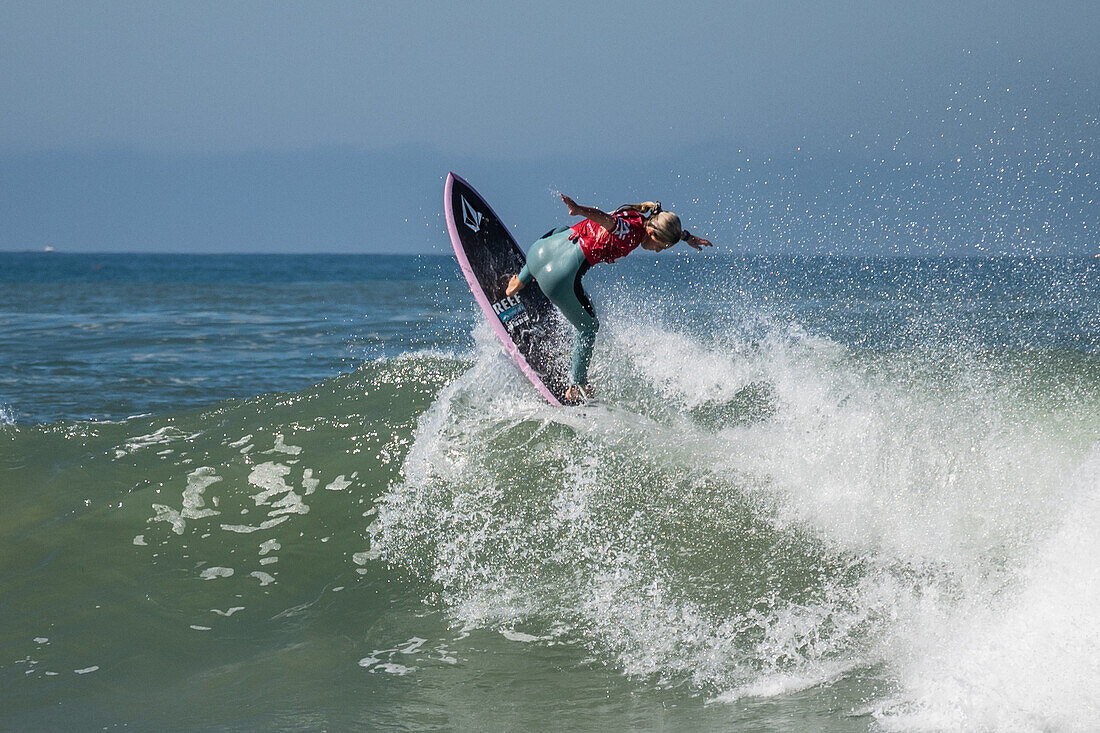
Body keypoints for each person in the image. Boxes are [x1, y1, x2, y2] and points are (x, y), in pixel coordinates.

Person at [506, 194, 713, 403]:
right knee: (588, 328)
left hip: (538, 251)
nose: (658, 250)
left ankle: (520, 281)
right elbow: (606, 220)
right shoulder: (630, 232)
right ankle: (576, 385)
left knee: (564, 231)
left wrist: (686, 237)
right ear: (650, 232)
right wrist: (579, 209)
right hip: (555, 279)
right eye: (660, 246)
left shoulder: (639, 216)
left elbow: (653, 228)